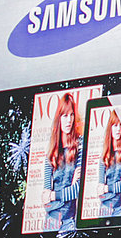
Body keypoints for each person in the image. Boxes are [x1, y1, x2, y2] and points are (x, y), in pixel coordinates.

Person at [45, 92, 84, 230]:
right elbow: (45, 197)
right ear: (59, 118)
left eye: (72, 115)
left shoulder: (80, 145)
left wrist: (54, 195)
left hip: (70, 222)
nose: (69, 120)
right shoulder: (52, 149)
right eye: (65, 116)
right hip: (50, 221)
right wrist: (68, 190)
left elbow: (78, 189)